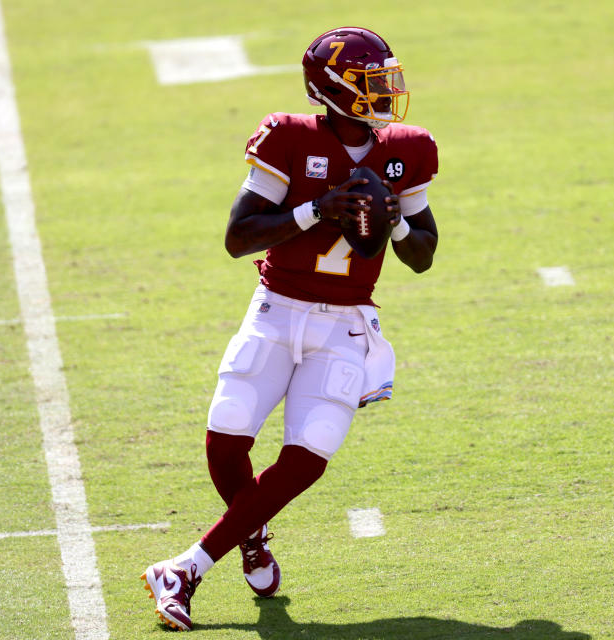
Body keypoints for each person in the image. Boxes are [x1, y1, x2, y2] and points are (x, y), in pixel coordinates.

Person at [141, 26, 439, 631]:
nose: (386, 93)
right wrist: (318, 209)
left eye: (386, 80)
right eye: (370, 83)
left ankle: (186, 568)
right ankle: (251, 537)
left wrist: (394, 221)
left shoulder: (408, 147)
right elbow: (238, 238)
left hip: (347, 325)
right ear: (331, 88)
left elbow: (424, 253)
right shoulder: (288, 137)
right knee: (226, 442)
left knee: (308, 456)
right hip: (278, 307)